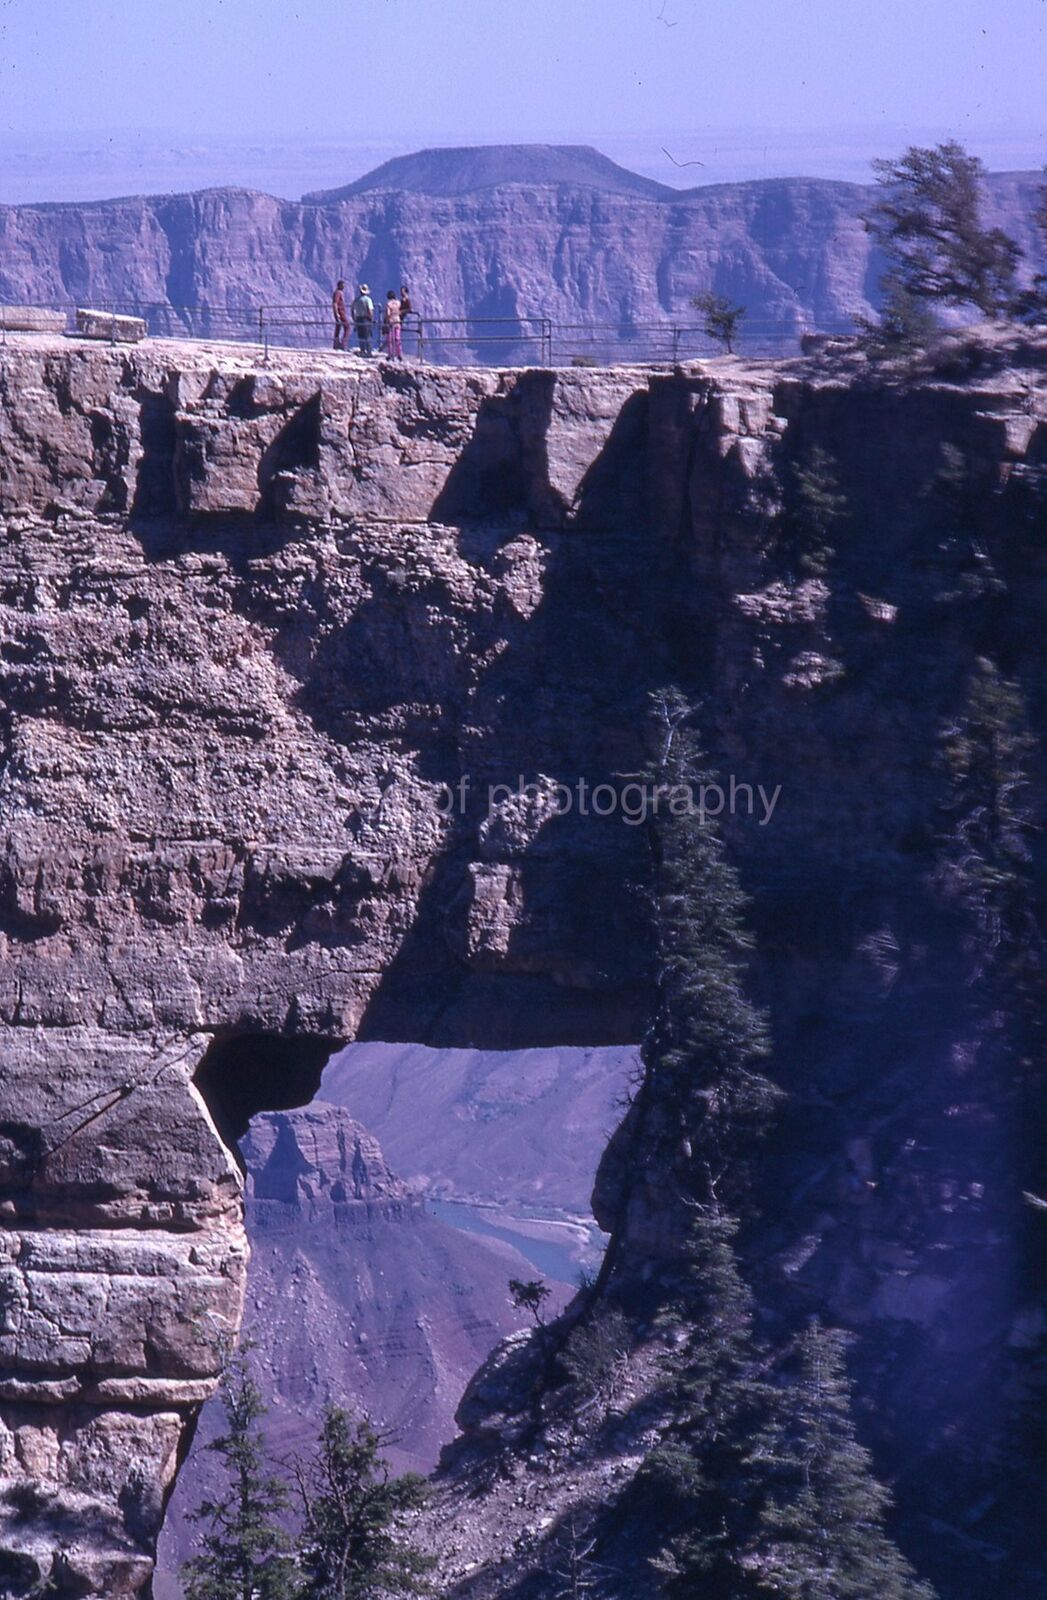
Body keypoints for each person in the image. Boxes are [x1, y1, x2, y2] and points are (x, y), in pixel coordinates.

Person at [351, 283, 374, 357]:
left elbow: (352, 309)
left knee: (360, 336)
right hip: (365, 319)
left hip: (358, 319)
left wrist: (354, 319)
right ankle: (369, 352)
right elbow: (370, 310)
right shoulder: (368, 300)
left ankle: (362, 351)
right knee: (367, 336)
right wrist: (371, 318)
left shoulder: (356, 300)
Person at [383, 290, 403, 360]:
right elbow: (401, 311)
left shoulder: (388, 304)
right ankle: (399, 354)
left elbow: (388, 314)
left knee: (390, 339)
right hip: (397, 321)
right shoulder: (398, 303)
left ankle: (390, 354)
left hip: (390, 322)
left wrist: (386, 319)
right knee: (397, 338)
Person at [332, 279, 350, 350]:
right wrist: (336, 313)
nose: (344, 286)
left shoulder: (339, 292)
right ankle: (343, 344)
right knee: (347, 326)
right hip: (340, 312)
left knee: (338, 327)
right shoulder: (338, 293)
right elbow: (335, 304)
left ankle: (336, 344)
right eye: (343, 285)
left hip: (341, 312)